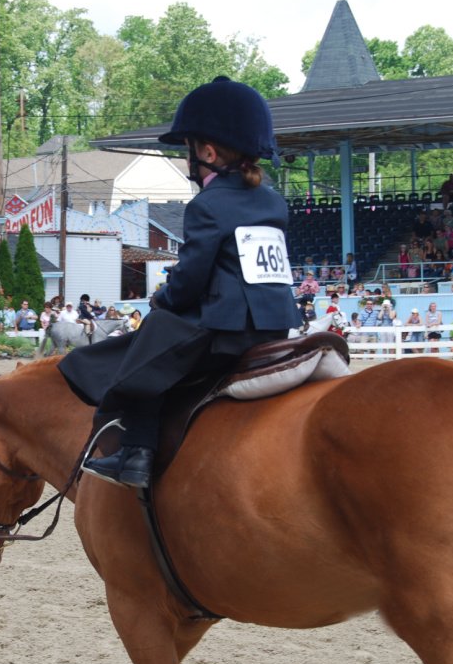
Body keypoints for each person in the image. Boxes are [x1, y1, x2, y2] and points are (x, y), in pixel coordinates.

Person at [60, 77, 296, 488]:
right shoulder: (272, 200)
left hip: (228, 330)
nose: (187, 158)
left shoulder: (208, 204)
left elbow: (189, 281)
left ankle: (136, 456)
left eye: (189, 148)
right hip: (275, 323)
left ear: (207, 151)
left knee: (145, 352)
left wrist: (163, 298)